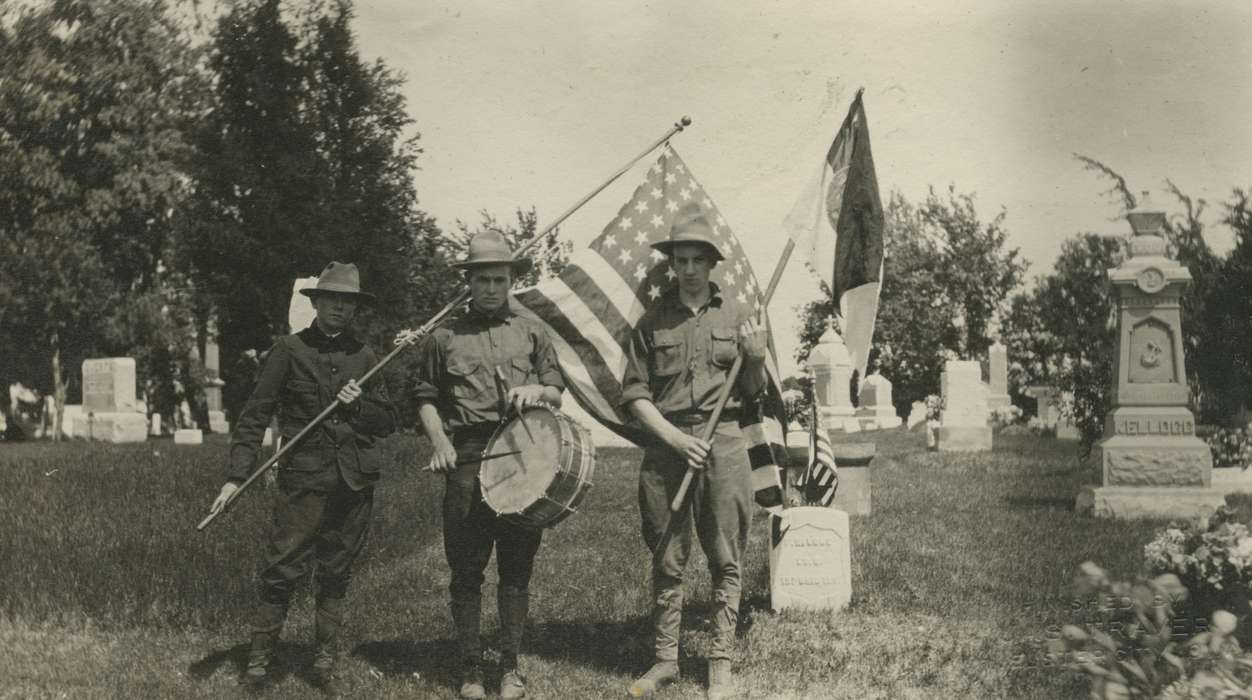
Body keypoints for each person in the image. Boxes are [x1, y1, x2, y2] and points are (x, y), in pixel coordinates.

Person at [208, 261, 397, 691]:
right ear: (316, 302)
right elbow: (254, 416)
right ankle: (258, 663)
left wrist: (358, 406)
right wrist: (236, 476)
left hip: (353, 484)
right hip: (303, 482)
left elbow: (388, 419)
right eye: (332, 299)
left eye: (348, 302)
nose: (339, 309)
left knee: (336, 572)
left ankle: (323, 663)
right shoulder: (288, 350)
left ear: (355, 308)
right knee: (282, 569)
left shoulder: (364, 356)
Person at [620, 204, 769, 700]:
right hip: (669, 447)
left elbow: (751, 393)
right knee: (667, 554)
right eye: (679, 260)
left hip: (724, 443)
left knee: (726, 555)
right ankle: (666, 660)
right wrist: (673, 437)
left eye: (696, 260)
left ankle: (719, 660)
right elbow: (635, 394)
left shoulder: (738, 318)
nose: (687, 270)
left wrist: (756, 358)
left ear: (711, 264)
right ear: (671, 265)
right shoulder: (651, 322)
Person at [411, 229, 564, 700]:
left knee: (517, 568)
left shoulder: (532, 330)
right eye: (482, 280)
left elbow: (557, 389)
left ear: (511, 280)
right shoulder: (444, 337)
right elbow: (424, 397)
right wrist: (439, 440)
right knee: (466, 568)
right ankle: (471, 668)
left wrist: (537, 391)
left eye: (499, 280)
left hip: (523, 454)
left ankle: (510, 668)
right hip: (468, 455)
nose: (491, 289)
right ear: (469, 282)